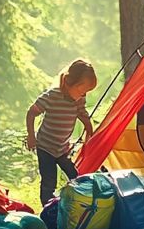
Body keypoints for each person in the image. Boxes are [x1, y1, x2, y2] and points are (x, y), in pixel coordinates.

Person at [25, 59, 97, 209]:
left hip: (62, 149)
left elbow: (82, 114)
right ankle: (48, 212)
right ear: (69, 82)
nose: (83, 95)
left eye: (86, 92)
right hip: (45, 147)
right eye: (82, 90)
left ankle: (76, 206)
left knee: (75, 175)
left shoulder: (79, 99)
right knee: (49, 181)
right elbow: (31, 113)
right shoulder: (52, 96)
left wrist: (89, 130)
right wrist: (31, 136)